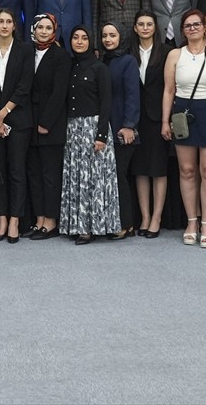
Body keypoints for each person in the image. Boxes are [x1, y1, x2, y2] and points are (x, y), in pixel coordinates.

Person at [161, 10, 206, 249]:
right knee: (187, 170)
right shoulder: (175, 55)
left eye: (196, 24)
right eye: (188, 25)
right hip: (184, 114)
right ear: (183, 30)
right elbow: (168, 91)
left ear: (204, 28)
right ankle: (191, 222)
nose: (192, 28)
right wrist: (165, 121)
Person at [60, 25, 118, 245]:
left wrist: (101, 136)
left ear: (91, 42)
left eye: (84, 38)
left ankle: (94, 227)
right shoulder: (69, 66)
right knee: (77, 177)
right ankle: (78, 225)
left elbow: (106, 103)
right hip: (73, 129)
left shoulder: (99, 68)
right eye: (75, 37)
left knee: (94, 179)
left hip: (93, 128)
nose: (79, 41)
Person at [0, 8, 34, 243]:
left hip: (18, 119)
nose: (4, 25)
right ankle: (2, 219)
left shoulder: (25, 50)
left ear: (14, 25)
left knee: (16, 171)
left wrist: (2, 114)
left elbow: (24, 87)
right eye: (0, 21)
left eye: (9, 21)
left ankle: (15, 220)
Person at [27, 14, 69, 240]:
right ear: (33, 29)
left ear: (54, 31)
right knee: (34, 174)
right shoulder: (28, 52)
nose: (43, 31)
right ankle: (39, 219)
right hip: (29, 122)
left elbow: (59, 92)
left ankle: (51, 221)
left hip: (50, 124)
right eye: (40, 27)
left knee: (50, 175)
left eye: (48, 27)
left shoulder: (60, 55)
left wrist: (46, 122)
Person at [130, 10, 171, 237]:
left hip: (158, 118)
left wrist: (167, 120)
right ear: (135, 28)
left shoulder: (166, 52)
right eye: (141, 24)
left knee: (158, 168)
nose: (145, 28)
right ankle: (145, 216)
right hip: (136, 118)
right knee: (140, 169)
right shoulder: (128, 52)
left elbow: (170, 88)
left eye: (149, 24)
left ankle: (157, 217)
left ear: (155, 27)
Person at [99, 21, 139, 240]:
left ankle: (126, 224)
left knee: (119, 176)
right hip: (104, 127)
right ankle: (111, 221)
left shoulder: (128, 61)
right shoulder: (101, 60)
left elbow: (133, 95)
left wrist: (129, 125)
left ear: (121, 37)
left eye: (112, 35)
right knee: (108, 176)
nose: (108, 39)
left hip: (123, 128)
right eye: (104, 35)